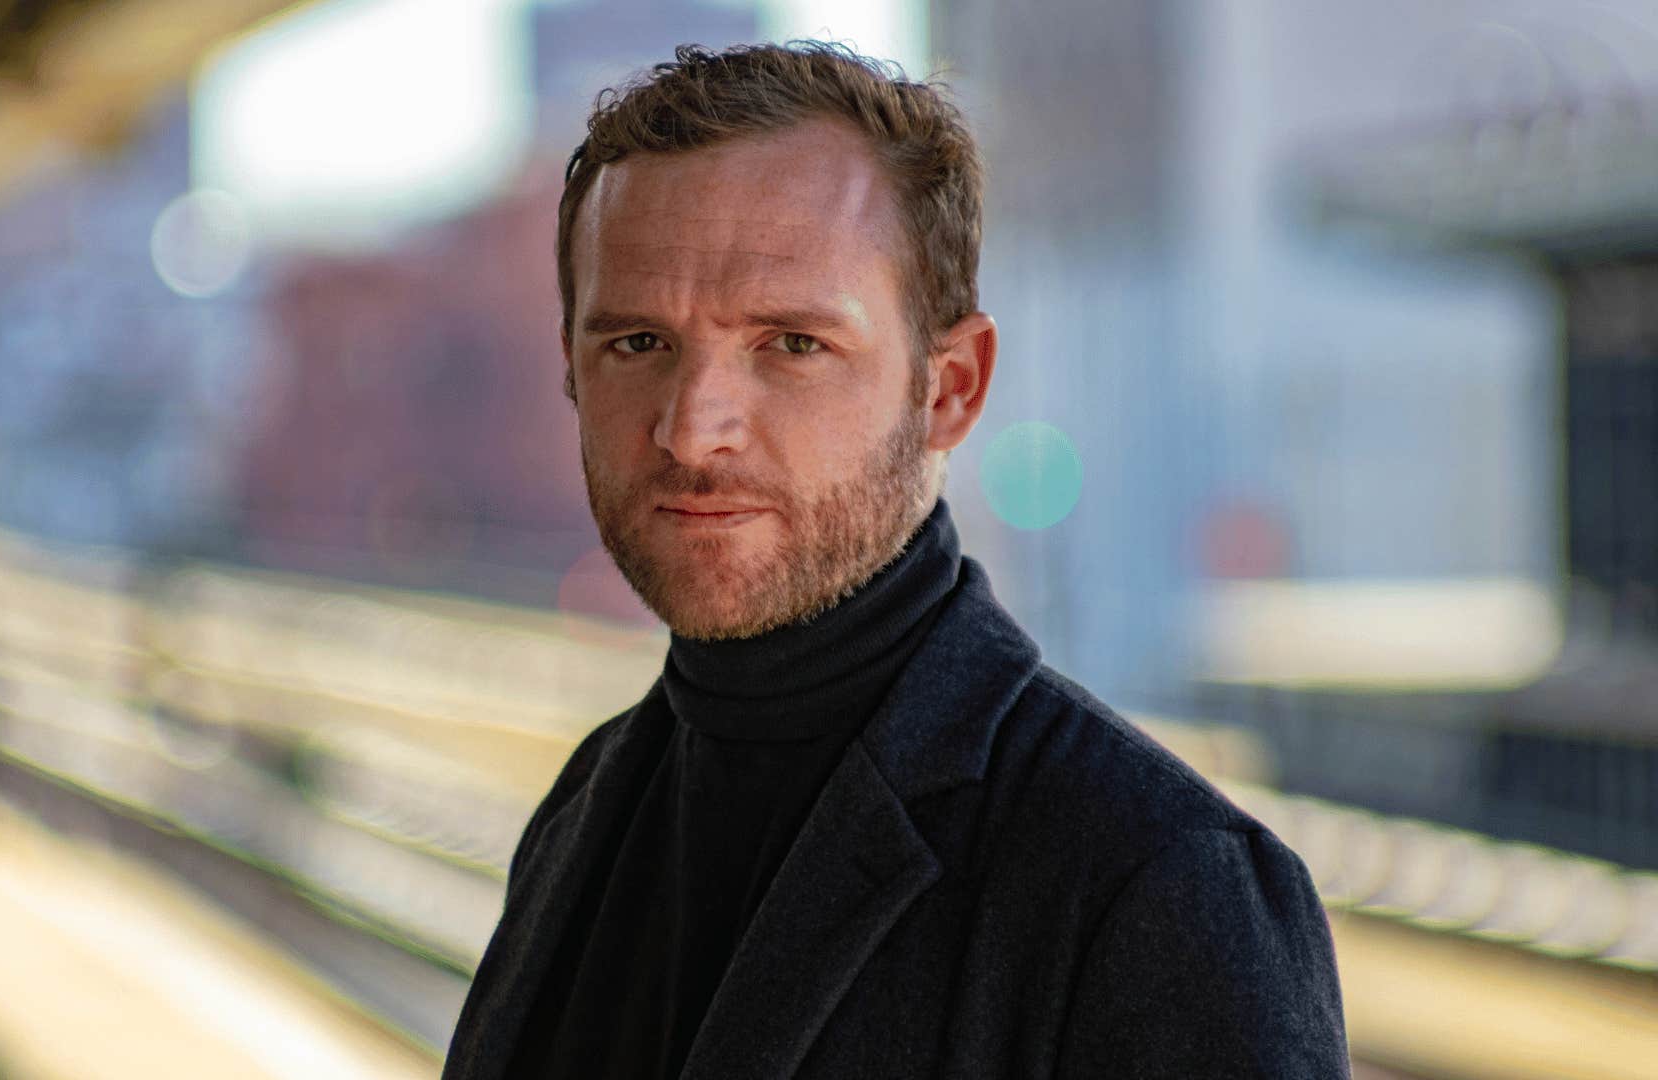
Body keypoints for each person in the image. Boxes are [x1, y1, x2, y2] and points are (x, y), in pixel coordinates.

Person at [442, 41, 1349, 1079]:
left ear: (950, 388)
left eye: (792, 344)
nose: (693, 434)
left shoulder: (1159, 881)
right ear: (573, 370)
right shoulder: (585, 804)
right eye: (639, 345)